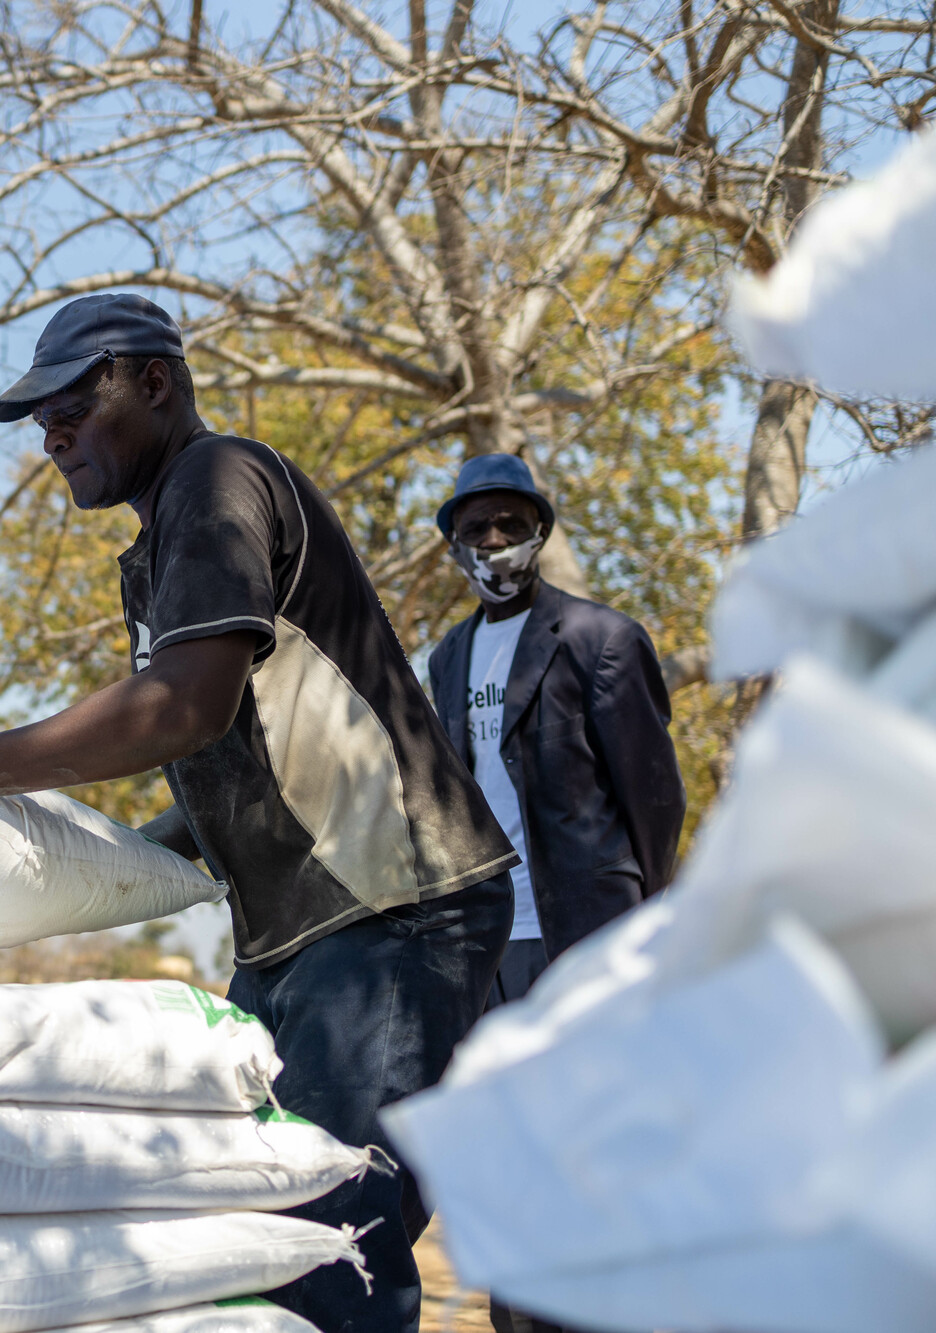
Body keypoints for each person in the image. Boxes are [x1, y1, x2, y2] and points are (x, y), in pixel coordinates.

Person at [0, 293, 517, 1333]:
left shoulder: (218, 478)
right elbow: (225, 760)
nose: (53, 438)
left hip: (390, 906)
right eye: (40, 424)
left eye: (72, 407)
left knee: (322, 1242)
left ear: (153, 381)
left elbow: (180, 706)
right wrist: (70, 863)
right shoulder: (157, 550)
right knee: (242, 1229)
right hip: (296, 931)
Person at [426, 455, 686, 1333]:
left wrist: (636, 920)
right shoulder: (449, 656)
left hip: (588, 934)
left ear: (539, 529)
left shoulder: (600, 638)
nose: (494, 541)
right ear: (453, 540)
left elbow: (655, 798)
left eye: (510, 522)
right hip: (494, 942)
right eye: (476, 527)